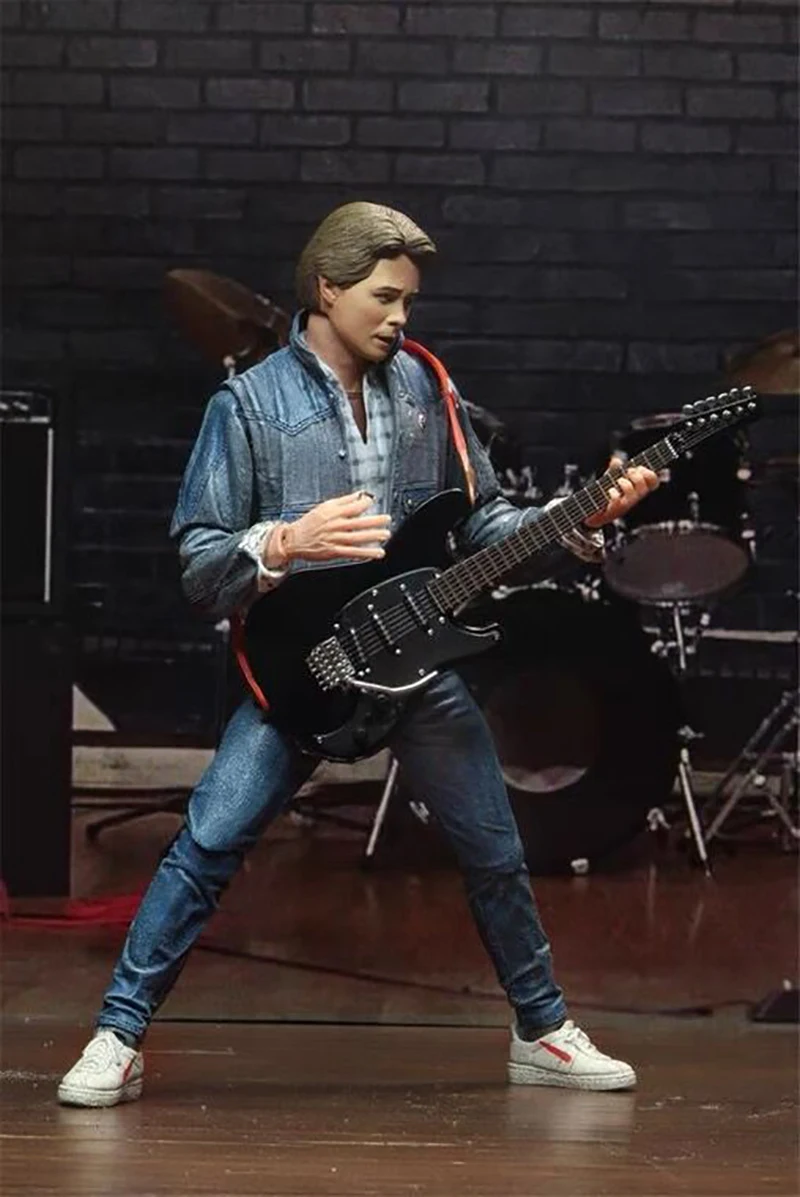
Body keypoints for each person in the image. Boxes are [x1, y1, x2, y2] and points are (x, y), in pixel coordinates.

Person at [58, 202, 658, 1108]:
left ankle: (541, 1029)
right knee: (208, 841)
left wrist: (577, 520)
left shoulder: (424, 386)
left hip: (413, 660)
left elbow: (481, 525)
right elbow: (199, 565)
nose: (400, 317)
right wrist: (285, 542)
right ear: (327, 289)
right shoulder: (248, 405)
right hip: (301, 672)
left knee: (495, 847)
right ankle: (118, 1034)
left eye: (409, 300)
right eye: (384, 297)